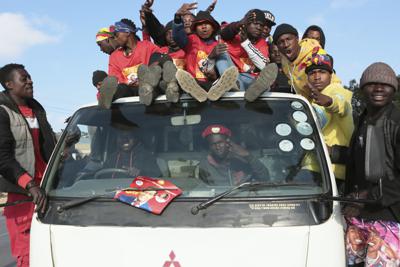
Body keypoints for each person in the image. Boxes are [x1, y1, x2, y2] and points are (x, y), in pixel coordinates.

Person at [340, 62, 400, 266]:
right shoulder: (364, 119)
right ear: (362, 88)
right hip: (358, 216)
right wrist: (333, 152)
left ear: (394, 89)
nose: (378, 88)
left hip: (387, 217)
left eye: (385, 85)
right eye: (372, 84)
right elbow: (359, 158)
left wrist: (365, 197)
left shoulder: (396, 122)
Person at [0, 63, 56, 267]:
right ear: (9, 84)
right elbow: (2, 158)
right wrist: (30, 184)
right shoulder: (2, 111)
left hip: (48, 189)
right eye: (23, 78)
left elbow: (49, 145)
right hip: (23, 192)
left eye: (30, 77)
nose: (30, 81)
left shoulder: (36, 108)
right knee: (28, 254)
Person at [305, 54, 354, 189]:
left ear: (331, 75)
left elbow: (341, 103)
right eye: (312, 73)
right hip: (315, 167)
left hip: (333, 171)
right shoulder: (313, 98)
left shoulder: (335, 90)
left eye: (322, 72)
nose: (317, 77)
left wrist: (330, 102)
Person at [173, 3, 238, 102]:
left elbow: (222, 68)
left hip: (213, 85)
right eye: (200, 24)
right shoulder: (190, 40)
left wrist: (215, 76)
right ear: (195, 28)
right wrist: (177, 17)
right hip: (194, 83)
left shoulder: (218, 46)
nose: (204, 27)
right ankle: (195, 91)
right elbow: (177, 36)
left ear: (213, 27)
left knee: (217, 81)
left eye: (207, 24)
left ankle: (218, 88)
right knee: (184, 82)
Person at [217, 9, 278, 101]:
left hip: (247, 79)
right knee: (221, 51)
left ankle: (243, 90)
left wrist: (246, 43)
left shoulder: (262, 43)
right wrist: (239, 23)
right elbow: (224, 34)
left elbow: (263, 66)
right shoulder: (234, 35)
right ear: (246, 23)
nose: (259, 27)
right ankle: (230, 84)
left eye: (261, 25)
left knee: (265, 85)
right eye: (255, 23)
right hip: (230, 76)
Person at [273, 23, 341, 101]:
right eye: (280, 42)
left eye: (289, 39)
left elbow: (332, 87)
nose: (285, 44)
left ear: (297, 39)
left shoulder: (316, 56)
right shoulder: (285, 63)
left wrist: (329, 102)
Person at [107, 19, 163, 106]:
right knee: (121, 88)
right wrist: (129, 83)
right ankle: (108, 95)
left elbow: (159, 58)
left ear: (127, 32)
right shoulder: (114, 56)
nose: (115, 38)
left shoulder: (147, 46)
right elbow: (114, 76)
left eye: (116, 35)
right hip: (130, 90)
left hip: (148, 86)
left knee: (154, 84)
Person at [199, 124, 269, 185]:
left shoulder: (242, 160)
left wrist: (248, 156)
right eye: (213, 144)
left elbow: (265, 178)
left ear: (228, 142)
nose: (217, 147)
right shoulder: (205, 164)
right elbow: (202, 188)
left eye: (220, 143)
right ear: (209, 146)